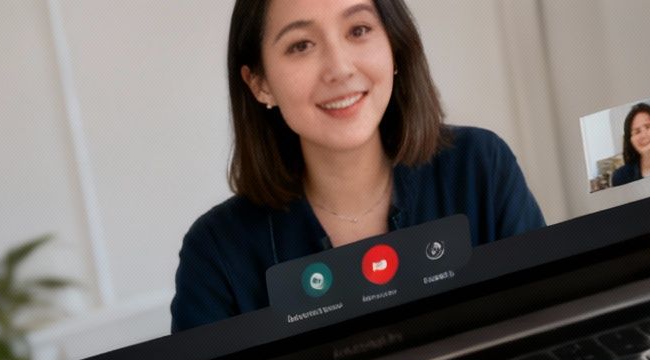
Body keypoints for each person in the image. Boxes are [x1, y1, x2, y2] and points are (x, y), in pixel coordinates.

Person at [171, 0, 545, 332]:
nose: (339, 68)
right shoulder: (215, 252)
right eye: (301, 45)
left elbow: (545, 324)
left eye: (359, 29)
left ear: (393, 44)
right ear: (260, 84)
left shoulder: (481, 166)